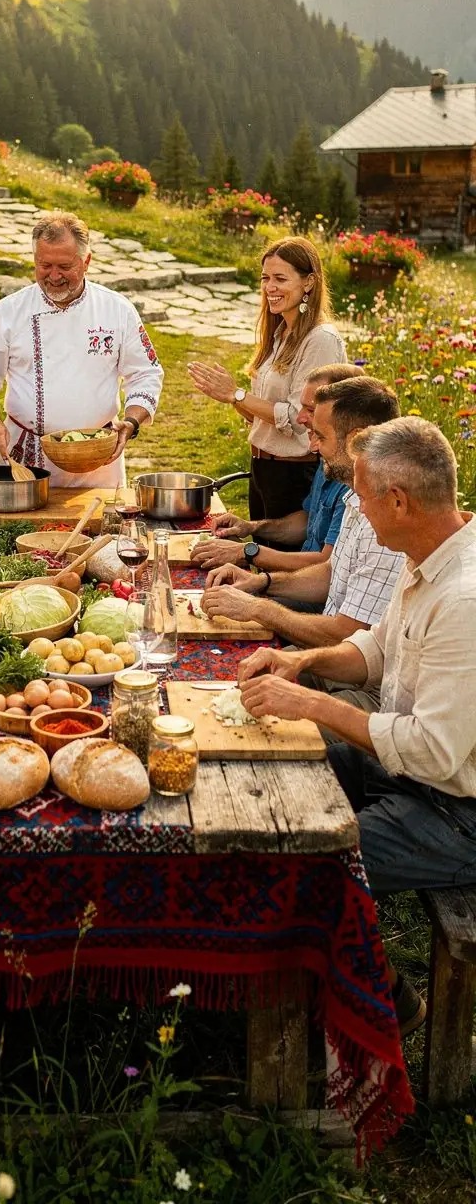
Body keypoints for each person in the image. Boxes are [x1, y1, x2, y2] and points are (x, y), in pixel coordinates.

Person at [238, 418, 476, 1035]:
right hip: (413, 769)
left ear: (399, 500)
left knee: (303, 863)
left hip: (457, 812)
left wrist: (316, 706)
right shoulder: (428, 552)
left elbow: (433, 752)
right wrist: (302, 661)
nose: (358, 511)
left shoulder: (464, 598)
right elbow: (375, 649)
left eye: (364, 496)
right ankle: (272, 970)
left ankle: (384, 1007)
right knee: (263, 779)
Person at [201, 377, 403, 666]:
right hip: (328, 653)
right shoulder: (358, 497)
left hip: (343, 670)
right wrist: (260, 581)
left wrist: (260, 608)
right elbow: (330, 572)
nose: (311, 446)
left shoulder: (382, 520)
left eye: (319, 436)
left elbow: (348, 637)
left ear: (356, 439)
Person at [0, 210, 164, 487]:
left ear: (86, 261)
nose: (53, 276)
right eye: (45, 265)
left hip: (99, 460)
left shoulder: (117, 310)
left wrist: (131, 423)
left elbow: (146, 374)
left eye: (64, 267)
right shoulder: (8, 312)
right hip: (28, 461)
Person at [188, 237, 346, 521]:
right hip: (263, 469)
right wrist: (231, 398)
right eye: (265, 278)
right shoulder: (280, 334)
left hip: (295, 473)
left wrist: (237, 395)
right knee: (261, 555)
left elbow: (299, 417)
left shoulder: (320, 340)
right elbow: (260, 416)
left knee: (285, 559)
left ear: (309, 282)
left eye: (280, 279)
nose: (269, 287)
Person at [192, 362, 362, 576]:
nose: (300, 418)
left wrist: (247, 553)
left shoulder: (351, 477)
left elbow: (326, 566)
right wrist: (251, 527)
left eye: (309, 409)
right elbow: (307, 520)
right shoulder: (328, 457)